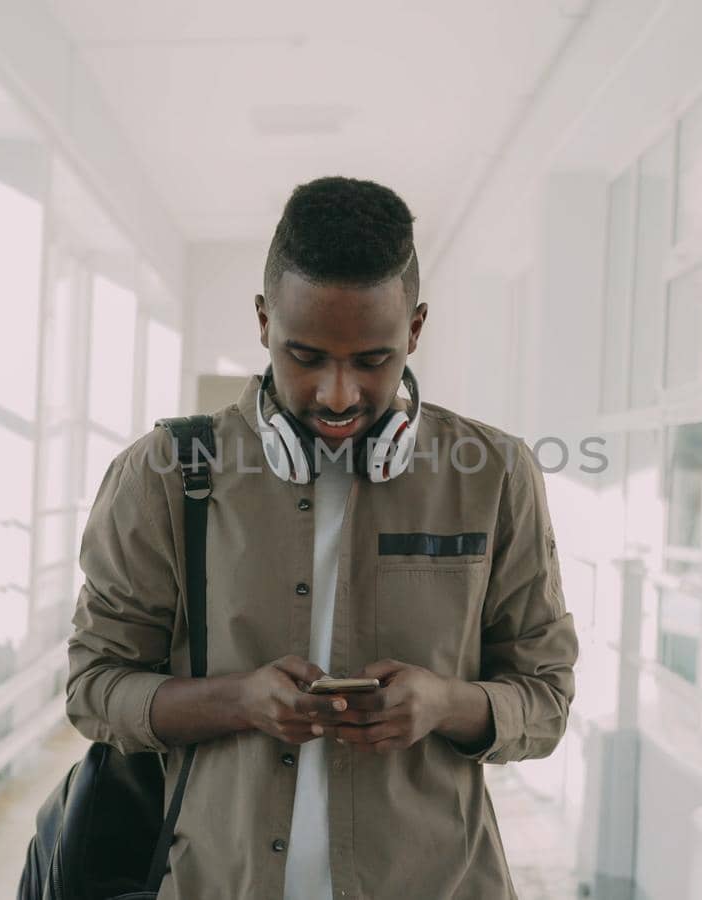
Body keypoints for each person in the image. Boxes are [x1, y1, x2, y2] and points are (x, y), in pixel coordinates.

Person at [67, 175, 578, 899]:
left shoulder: (495, 475)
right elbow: (94, 690)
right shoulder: (162, 475)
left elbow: (547, 697)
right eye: (305, 356)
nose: (338, 395)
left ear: (416, 330)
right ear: (262, 321)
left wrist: (443, 703)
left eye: (373, 360)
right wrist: (239, 700)